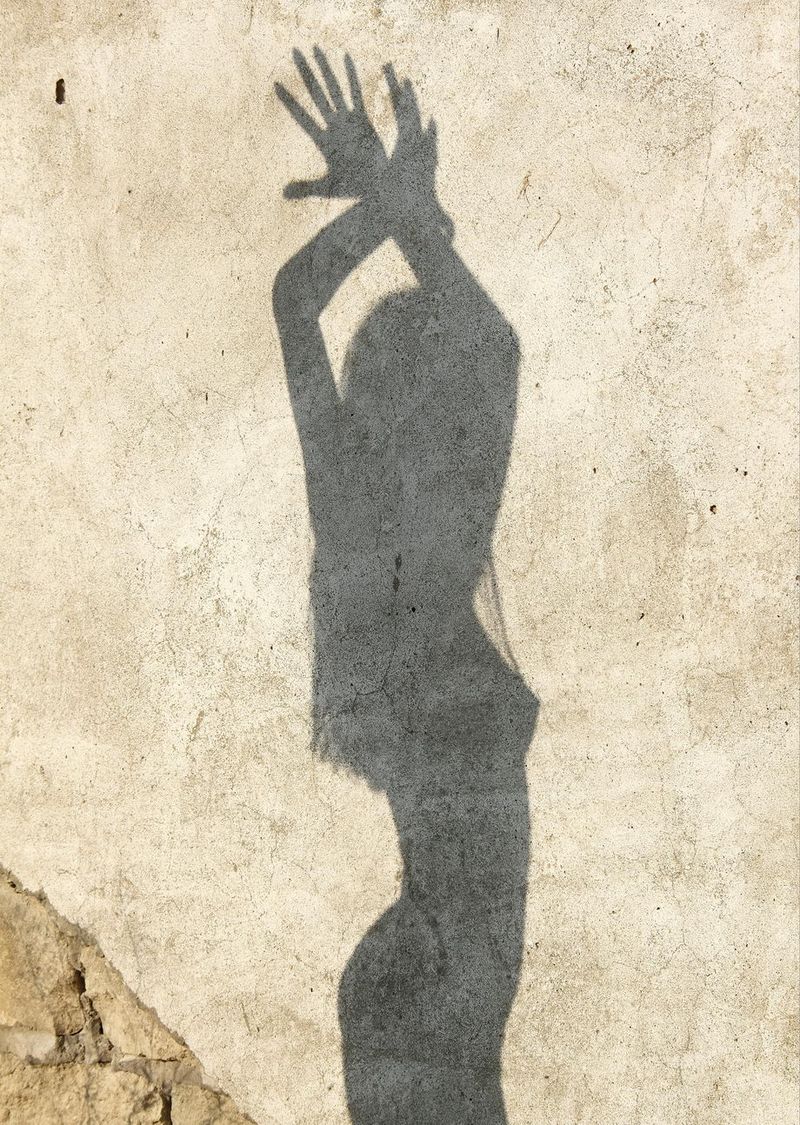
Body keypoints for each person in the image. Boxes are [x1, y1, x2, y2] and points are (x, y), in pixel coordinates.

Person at [273, 49, 538, 1123]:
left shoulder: (358, 530)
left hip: (417, 982)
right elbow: (497, 345)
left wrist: (391, 209)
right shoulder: (439, 541)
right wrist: (403, 209)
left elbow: (297, 301)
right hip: (436, 991)